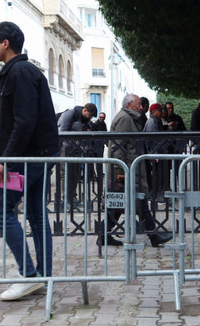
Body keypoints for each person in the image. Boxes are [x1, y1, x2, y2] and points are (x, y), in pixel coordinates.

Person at [0, 21, 59, 301]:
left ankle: (30, 276)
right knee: (36, 215)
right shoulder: (23, 71)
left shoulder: (19, 72)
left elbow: (24, 121)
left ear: (6, 43)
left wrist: (6, 159)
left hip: (28, 156)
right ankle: (41, 278)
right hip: (37, 154)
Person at [105, 93, 172, 248]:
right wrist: (120, 169)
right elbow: (118, 147)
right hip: (126, 170)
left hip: (129, 169)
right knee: (139, 203)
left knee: (121, 206)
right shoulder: (125, 119)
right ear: (129, 105)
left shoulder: (129, 117)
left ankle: (103, 235)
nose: (141, 107)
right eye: (138, 104)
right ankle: (154, 237)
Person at [58, 103, 98, 206]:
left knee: (76, 172)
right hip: (65, 147)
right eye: (90, 116)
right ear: (85, 110)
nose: (90, 119)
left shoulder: (85, 121)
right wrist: (75, 144)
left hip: (75, 148)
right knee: (66, 172)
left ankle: (72, 197)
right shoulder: (70, 114)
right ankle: (65, 198)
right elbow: (63, 132)